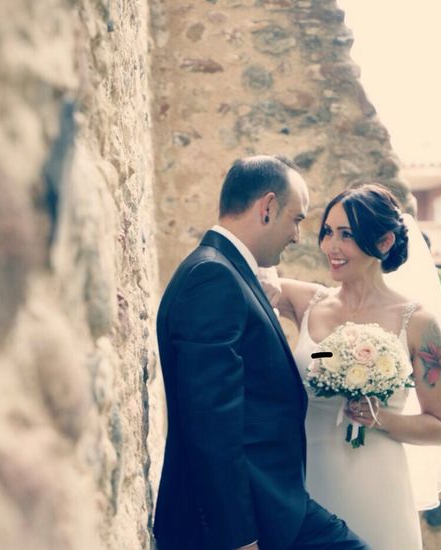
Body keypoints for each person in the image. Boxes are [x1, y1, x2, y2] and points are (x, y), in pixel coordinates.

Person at [153, 155, 369, 550]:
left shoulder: (227, 270)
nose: (298, 236)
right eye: (297, 219)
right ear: (267, 208)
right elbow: (210, 421)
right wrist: (238, 537)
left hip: (276, 505)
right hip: (246, 518)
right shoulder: (214, 277)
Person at [260, 183, 441, 550]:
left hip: (378, 481)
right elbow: (244, 278)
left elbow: (439, 426)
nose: (331, 247)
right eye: (327, 232)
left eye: (347, 235)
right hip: (308, 478)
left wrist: (379, 419)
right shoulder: (305, 301)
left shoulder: (418, 323)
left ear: (384, 243)